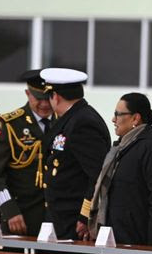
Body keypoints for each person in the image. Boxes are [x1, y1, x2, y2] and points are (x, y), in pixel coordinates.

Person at [41, 68, 110, 240]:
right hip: (60, 215)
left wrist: (85, 215)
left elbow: (98, 174)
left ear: (55, 96)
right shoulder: (70, 119)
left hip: (73, 220)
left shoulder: (82, 123)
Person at [88, 93, 152, 245]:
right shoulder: (121, 147)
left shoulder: (150, 146)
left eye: (118, 114)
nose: (113, 119)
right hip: (113, 235)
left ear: (135, 118)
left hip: (134, 240)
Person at [0, 70, 53, 236]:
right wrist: (8, 209)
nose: (44, 104)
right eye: (38, 98)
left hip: (55, 219)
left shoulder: (63, 122)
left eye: (48, 98)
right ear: (28, 94)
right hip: (20, 216)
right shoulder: (10, 125)